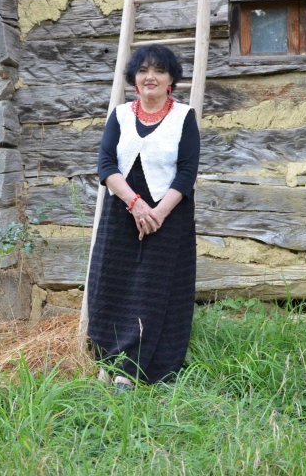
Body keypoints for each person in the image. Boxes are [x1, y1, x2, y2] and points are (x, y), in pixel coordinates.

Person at [87, 44, 200, 391]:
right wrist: (135, 204)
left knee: (153, 290)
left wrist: (158, 213)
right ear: (134, 79)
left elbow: (187, 172)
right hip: (122, 212)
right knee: (112, 284)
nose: (150, 76)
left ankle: (133, 369)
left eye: (159, 71)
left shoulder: (184, 117)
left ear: (170, 80)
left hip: (168, 218)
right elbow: (105, 164)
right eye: (143, 71)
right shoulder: (120, 116)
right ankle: (107, 358)